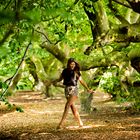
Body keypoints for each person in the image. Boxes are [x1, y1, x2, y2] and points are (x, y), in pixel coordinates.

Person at [53, 58, 93, 129]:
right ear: (68, 64)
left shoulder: (76, 71)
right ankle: (80, 123)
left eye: (74, 64)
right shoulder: (64, 71)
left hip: (74, 89)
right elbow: (60, 79)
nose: (72, 65)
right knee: (72, 107)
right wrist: (54, 81)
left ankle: (60, 124)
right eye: (71, 64)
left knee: (67, 105)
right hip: (67, 89)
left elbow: (81, 80)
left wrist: (87, 89)